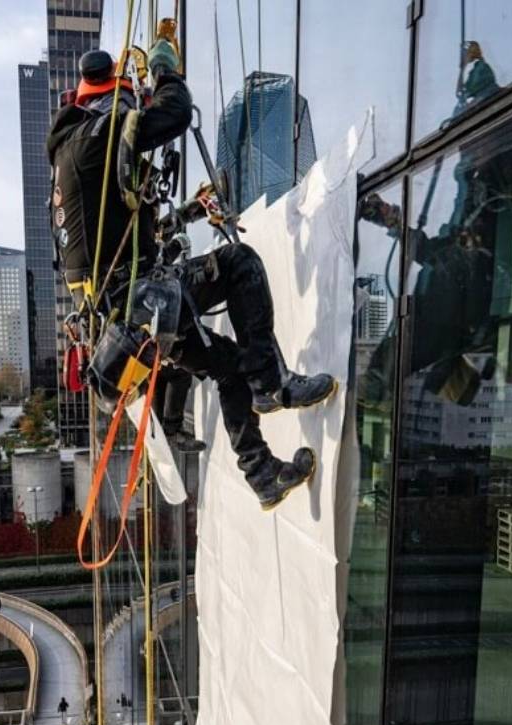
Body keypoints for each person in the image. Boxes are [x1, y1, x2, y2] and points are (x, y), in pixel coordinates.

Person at [47, 39, 337, 510]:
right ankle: (272, 386)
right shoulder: (91, 139)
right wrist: (166, 73)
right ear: (106, 101)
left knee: (227, 366)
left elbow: (137, 238)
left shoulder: (73, 164)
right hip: (142, 304)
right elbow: (174, 114)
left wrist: (186, 213)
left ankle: (262, 473)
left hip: (135, 314)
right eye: (125, 103)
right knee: (240, 263)